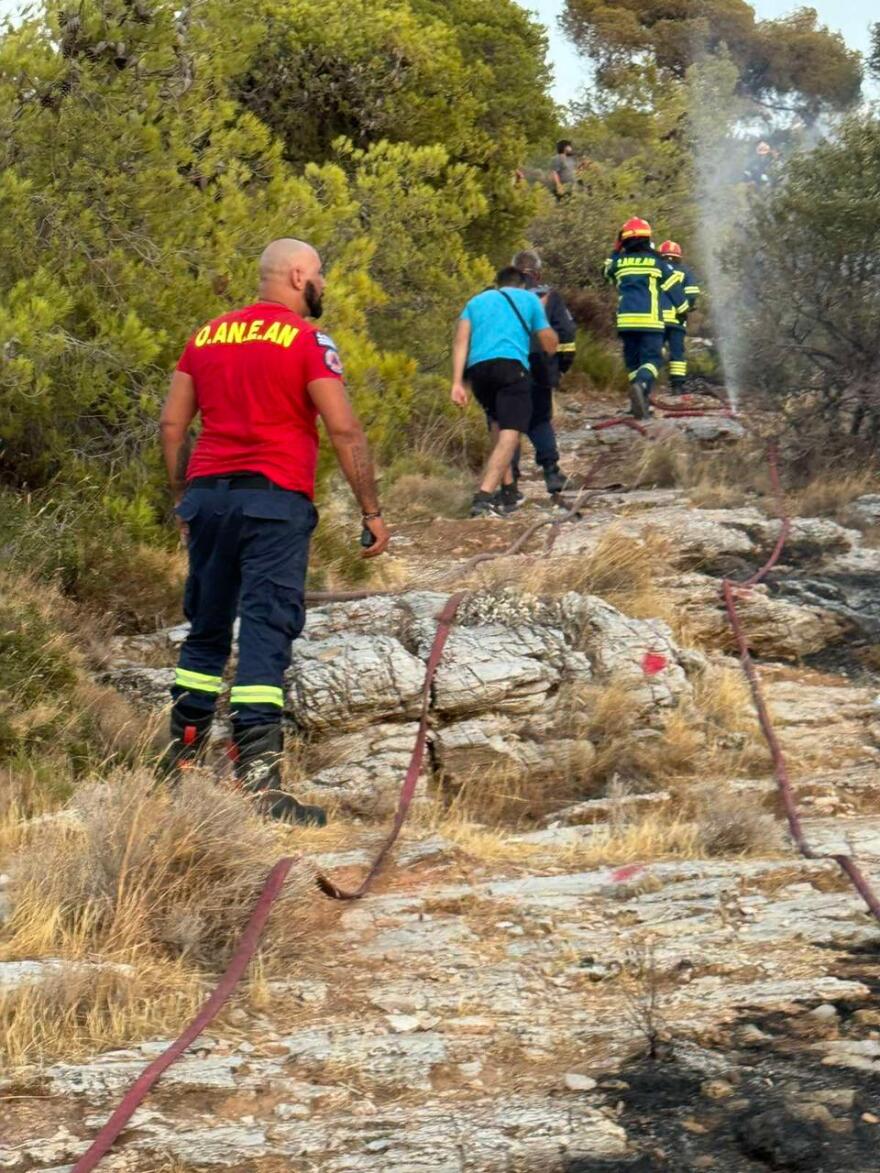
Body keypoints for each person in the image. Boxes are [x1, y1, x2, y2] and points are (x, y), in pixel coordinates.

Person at [159, 238, 390, 825]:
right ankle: (260, 784)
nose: (324, 286)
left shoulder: (206, 336)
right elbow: (343, 429)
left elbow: (171, 424)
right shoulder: (308, 341)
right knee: (266, 627)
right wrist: (370, 512)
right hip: (274, 500)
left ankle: (176, 766)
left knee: (206, 628)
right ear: (295, 276)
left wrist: (183, 498)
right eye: (319, 275)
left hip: (208, 497)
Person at [451, 267, 558, 517]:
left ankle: (509, 489)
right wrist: (540, 313)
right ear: (521, 284)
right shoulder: (530, 299)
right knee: (511, 434)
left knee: (497, 425)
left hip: (478, 372)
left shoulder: (475, 302)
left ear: (497, 284)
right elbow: (549, 343)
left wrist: (457, 382)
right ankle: (484, 497)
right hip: (511, 369)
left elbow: (461, 342)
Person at [603, 218, 688, 419]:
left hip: (625, 321)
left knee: (633, 361)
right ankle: (641, 385)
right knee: (652, 360)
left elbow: (606, 272)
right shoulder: (656, 262)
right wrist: (683, 309)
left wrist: (616, 250)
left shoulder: (619, 262)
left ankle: (639, 402)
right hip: (650, 321)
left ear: (624, 240)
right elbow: (673, 287)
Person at [510, 248, 576, 498]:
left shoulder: (497, 295)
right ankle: (551, 472)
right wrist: (562, 366)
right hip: (539, 367)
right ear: (537, 273)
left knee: (508, 424)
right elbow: (567, 333)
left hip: (506, 367)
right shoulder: (549, 295)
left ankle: (510, 481)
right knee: (539, 420)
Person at [658, 240, 700, 394]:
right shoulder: (685, 272)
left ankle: (651, 381)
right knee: (677, 352)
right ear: (678, 256)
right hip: (677, 319)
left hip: (657, 319)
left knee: (655, 347)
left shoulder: (656, 271)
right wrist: (689, 305)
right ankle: (677, 386)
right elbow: (692, 293)